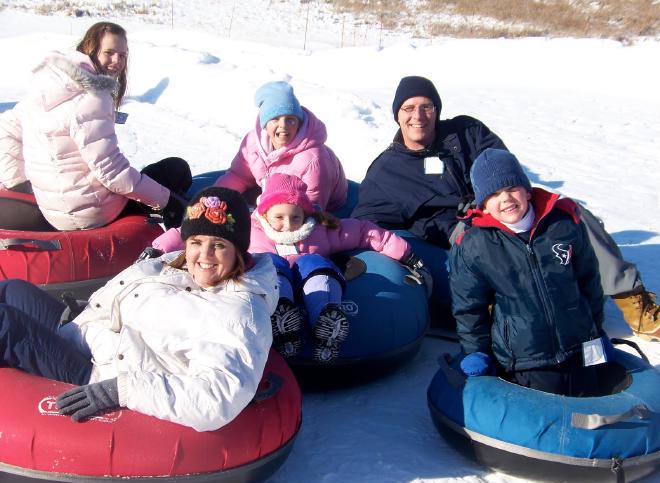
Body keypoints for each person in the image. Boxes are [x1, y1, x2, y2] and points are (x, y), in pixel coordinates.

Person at [352, 75, 659, 341]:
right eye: (408, 108)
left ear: (437, 110)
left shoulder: (465, 131)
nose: (418, 116)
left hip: (501, 203)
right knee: (495, 254)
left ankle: (633, 303)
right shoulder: (386, 172)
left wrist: (495, 198)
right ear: (397, 115)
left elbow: (503, 165)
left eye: (426, 106)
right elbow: (365, 224)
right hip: (464, 230)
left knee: (568, 213)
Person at [0, 187, 278, 431]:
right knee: (12, 289)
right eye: (196, 242)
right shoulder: (180, 267)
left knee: (4, 323)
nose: (204, 255)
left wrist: (120, 390)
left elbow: (217, 398)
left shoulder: (239, 313)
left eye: (218, 245)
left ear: (238, 250)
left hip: (100, 372)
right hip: (89, 334)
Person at [0, 21, 191, 231]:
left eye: (123, 55)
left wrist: (18, 183)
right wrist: (167, 201)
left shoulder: (48, 87)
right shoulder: (93, 96)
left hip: (53, 211)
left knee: (148, 177)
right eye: (109, 52)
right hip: (96, 212)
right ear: (91, 49)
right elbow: (111, 171)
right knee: (176, 169)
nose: (117, 61)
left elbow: (6, 129)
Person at [450, 148, 610, 395]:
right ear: (484, 205)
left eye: (512, 188)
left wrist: (596, 331)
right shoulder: (475, 245)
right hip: (527, 358)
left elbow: (589, 282)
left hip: (580, 345)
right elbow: (469, 307)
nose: (506, 199)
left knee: (593, 401)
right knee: (547, 411)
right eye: (494, 194)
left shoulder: (562, 224)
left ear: (527, 190)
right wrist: (476, 352)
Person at [249, 173, 430, 364]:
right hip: (275, 280)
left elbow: (364, 232)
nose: (288, 225)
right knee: (269, 265)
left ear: (305, 214)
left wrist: (404, 253)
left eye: (296, 217)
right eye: (279, 217)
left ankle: (327, 320)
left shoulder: (319, 230)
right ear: (265, 214)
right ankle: (281, 318)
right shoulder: (252, 232)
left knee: (317, 265)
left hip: (309, 277)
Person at [214, 80, 347, 211]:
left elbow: (311, 208)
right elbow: (239, 176)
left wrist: (259, 219)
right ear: (265, 124)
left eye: (290, 120)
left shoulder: (313, 161)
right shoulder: (253, 142)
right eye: (275, 119)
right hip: (271, 191)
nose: (283, 125)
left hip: (324, 206)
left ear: (299, 123)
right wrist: (214, 198)